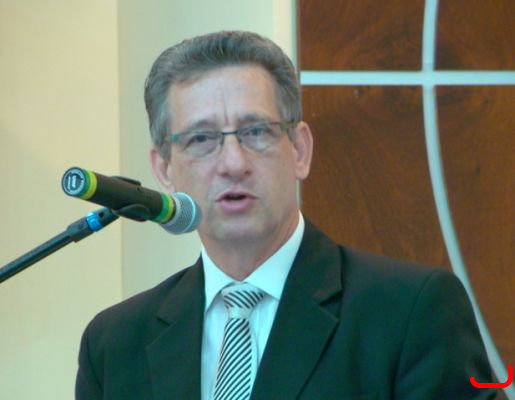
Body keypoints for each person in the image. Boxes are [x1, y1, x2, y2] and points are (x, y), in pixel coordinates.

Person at [75, 31, 496, 399]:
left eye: (255, 132)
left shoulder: (410, 312)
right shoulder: (115, 344)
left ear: (299, 150)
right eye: (201, 139)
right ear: (164, 169)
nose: (233, 163)